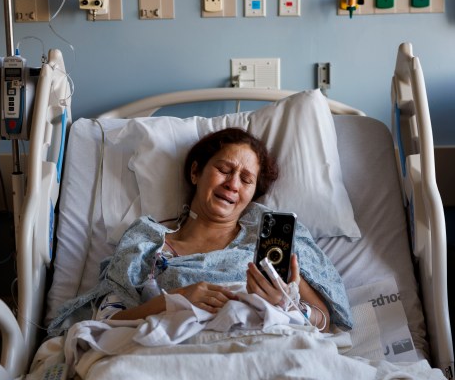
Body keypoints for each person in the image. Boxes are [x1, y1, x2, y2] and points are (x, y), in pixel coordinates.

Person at [48, 128, 352, 335]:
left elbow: (324, 322)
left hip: (262, 348)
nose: (233, 184)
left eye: (246, 179)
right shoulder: (148, 242)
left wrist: (288, 304)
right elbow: (107, 322)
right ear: (195, 172)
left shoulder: (268, 242)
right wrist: (175, 300)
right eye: (224, 169)